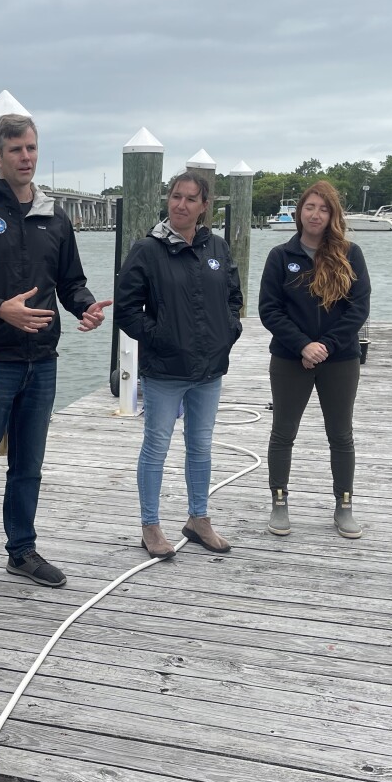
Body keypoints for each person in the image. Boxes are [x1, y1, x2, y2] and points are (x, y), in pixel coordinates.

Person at [0, 113, 111, 607]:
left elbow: (71, 281)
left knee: (29, 466)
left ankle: (22, 550)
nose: (26, 158)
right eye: (16, 150)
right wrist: (1, 311)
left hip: (43, 361)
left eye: (32, 148)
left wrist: (85, 305)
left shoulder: (56, 217)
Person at [116, 172, 243, 558]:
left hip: (209, 370)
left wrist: (228, 331)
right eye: (176, 197)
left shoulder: (217, 248)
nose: (181, 205)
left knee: (201, 445)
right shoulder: (147, 250)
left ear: (205, 206)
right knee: (156, 446)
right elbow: (126, 309)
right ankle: (151, 526)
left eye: (191, 199)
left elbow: (234, 297)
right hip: (166, 371)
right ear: (167, 200)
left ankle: (198, 518)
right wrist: (161, 337)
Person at [258, 180, 371, 539]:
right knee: (283, 432)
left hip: (340, 360)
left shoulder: (350, 255)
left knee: (340, 434)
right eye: (310, 207)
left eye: (324, 208)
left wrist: (326, 346)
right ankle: (279, 500)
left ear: (333, 214)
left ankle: (344, 504)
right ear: (298, 213)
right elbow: (269, 310)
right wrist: (303, 346)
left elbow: (358, 308)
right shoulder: (280, 256)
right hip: (291, 358)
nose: (316, 215)